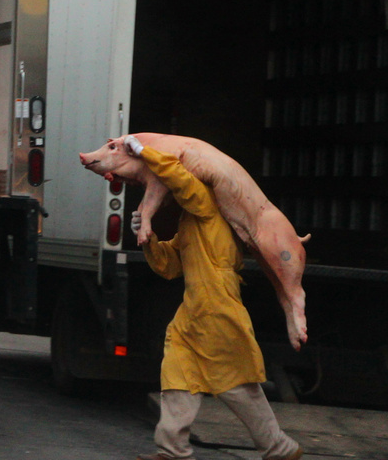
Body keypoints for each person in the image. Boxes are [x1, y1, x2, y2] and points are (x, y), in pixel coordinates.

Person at [124, 135, 301, 460]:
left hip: (219, 308)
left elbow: (177, 177)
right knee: (177, 376)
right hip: (193, 313)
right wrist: (147, 238)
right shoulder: (191, 220)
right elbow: (170, 266)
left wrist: (145, 152)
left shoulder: (206, 205)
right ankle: (172, 451)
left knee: (237, 386)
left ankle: (279, 447)